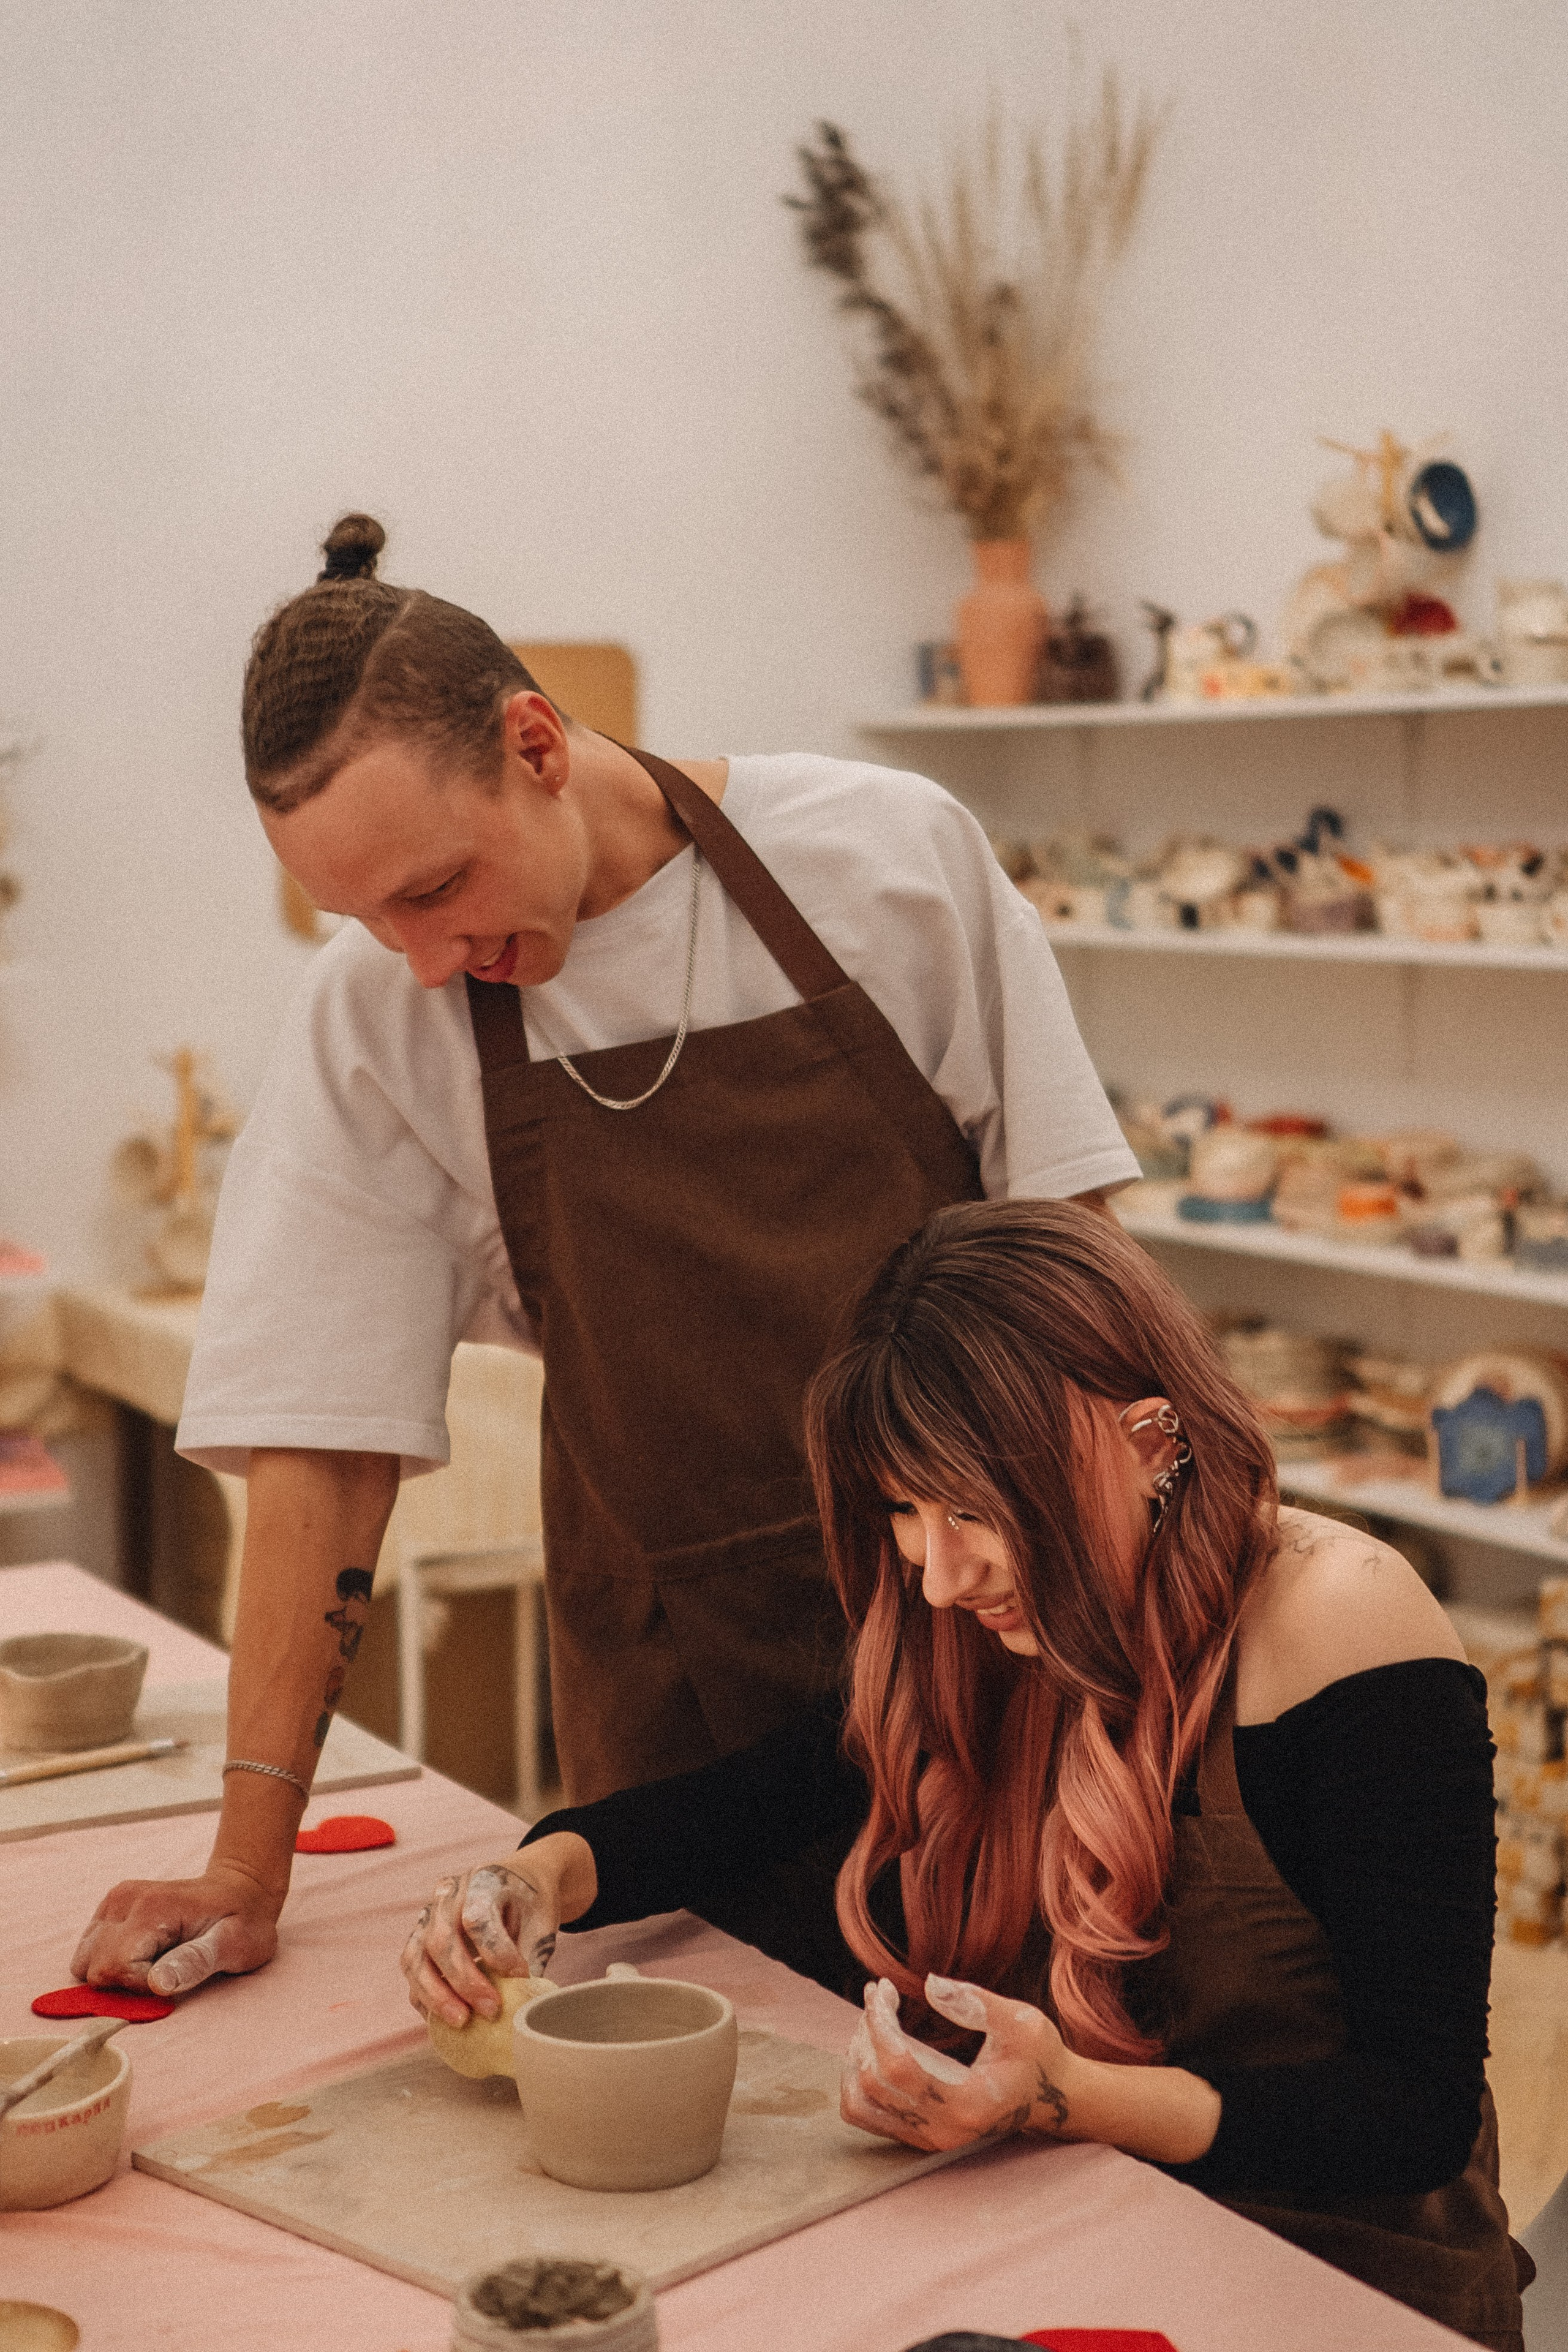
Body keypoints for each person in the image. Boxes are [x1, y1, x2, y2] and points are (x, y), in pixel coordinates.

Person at [70, 516, 1139, 2003]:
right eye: (363, 917)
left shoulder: (883, 859)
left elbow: (1083, 1281)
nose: (420, 955)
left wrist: (1148, 1645)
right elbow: (323, 1444)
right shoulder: (379, 1017)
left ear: (535, 742)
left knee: (1046, 2094)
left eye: (435, 888)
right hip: (678, 1707)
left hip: (999, 1647)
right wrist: (248, 1866)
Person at [401, 1201, 1528, 2352]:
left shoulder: (1341, 1620)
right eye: (905, 1509)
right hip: (1088, 2222)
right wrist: (537, 1875)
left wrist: (1060, 2094)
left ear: (1150, 1443)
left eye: (978, 1511)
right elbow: (750, 1802)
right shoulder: (981, 1626)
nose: (939, 1576)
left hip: (1337, 2278)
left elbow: (1414, 2112)